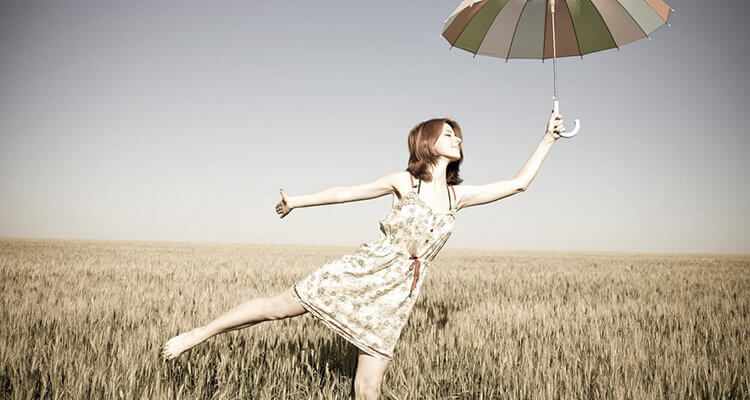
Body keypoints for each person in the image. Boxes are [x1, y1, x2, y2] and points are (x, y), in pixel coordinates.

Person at [162, 111, 566, 400]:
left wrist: (548, 137)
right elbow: (345, 193)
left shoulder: (459, 196)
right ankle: (196, 335)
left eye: (457, 134)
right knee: (278, 308)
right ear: (427, 142)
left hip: (399, 295)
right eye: (447, 134)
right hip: (366, 269)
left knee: (368, 387)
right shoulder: (404, 182)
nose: (456, 139)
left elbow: (518, 184)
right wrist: (297, 201)